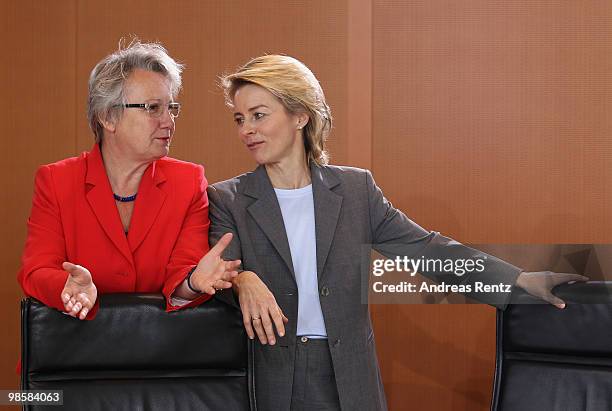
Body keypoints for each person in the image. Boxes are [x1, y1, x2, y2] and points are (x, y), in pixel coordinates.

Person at [206, 55, 587, 410]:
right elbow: (218, 277)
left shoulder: (355, 191)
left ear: (300, 116)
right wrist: (244, 279)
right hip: (273, 377)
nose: (247, 131)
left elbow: (426, 249)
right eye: (239, 119)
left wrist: (516, 280)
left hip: (349, 377)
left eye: (258, 115)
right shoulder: (228, 198)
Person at [17, 41, 239, 320]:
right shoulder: (57, 180)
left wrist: (193, 282)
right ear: (108, 116)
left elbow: (182, 274)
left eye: (171, 108)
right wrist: (69, 286)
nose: (168, 122)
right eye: (153, 108)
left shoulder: (188, 181)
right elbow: (35, 270)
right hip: (76, 350)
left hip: (160, 352)